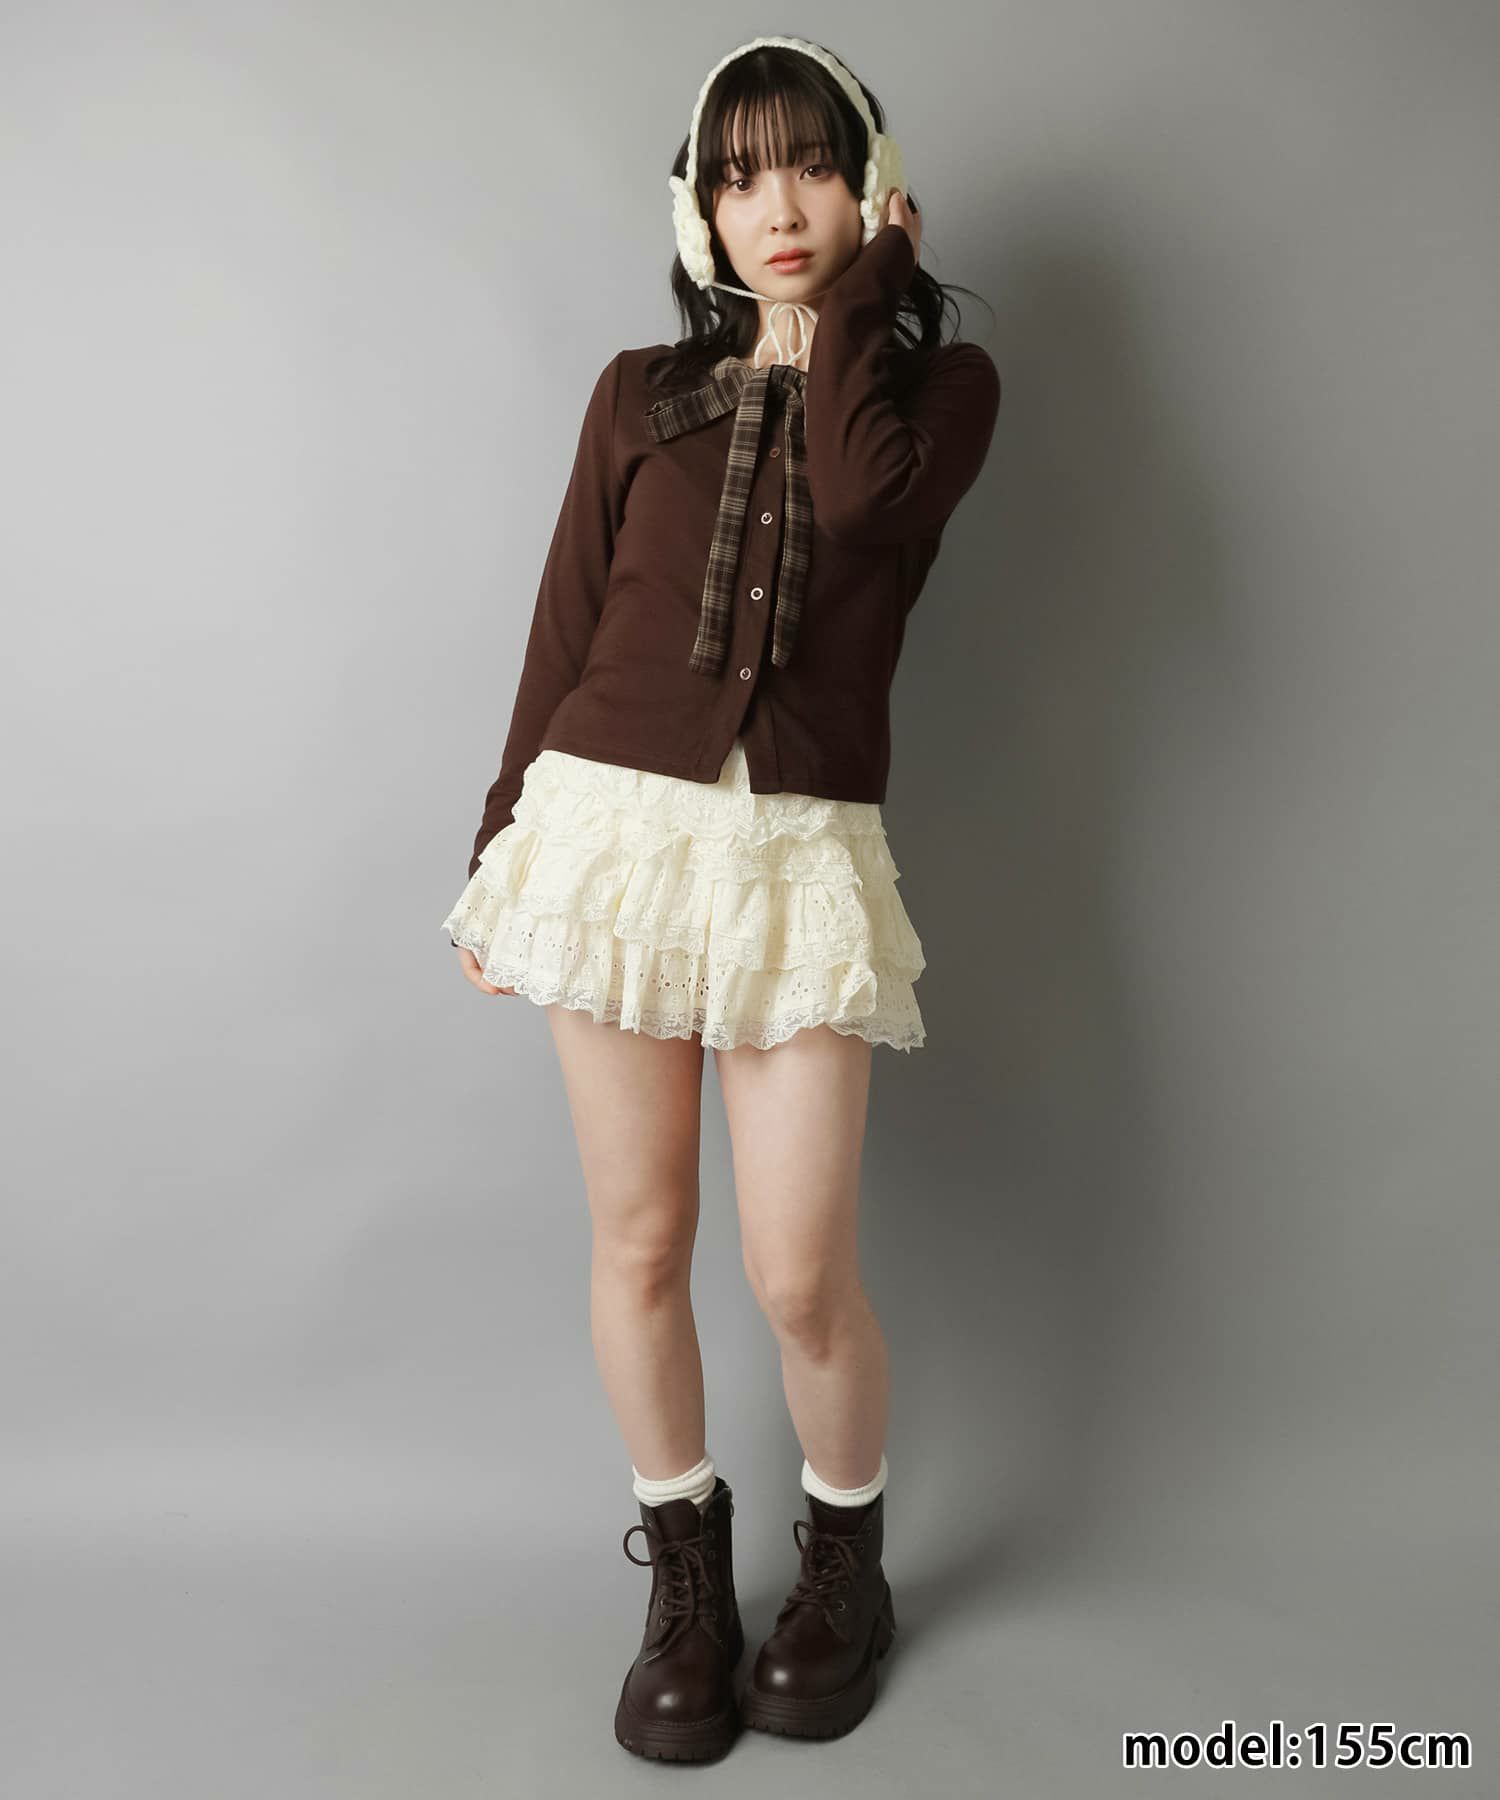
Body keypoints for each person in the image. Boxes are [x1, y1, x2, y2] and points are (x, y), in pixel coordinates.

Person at [440, 35, 1000, 1762]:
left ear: (871, 184)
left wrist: (863, 300)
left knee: (800, 1269)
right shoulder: (635, 393)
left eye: (814, 166)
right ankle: (685, 1578)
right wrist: (501, 849)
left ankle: (846, 1568)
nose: (779, 206)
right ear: (698, 207)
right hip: (608, 836)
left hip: (795, 857)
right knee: (641, 1240)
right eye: (740, 175)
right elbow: (563, 624)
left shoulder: (938, 393)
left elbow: (864, 496)